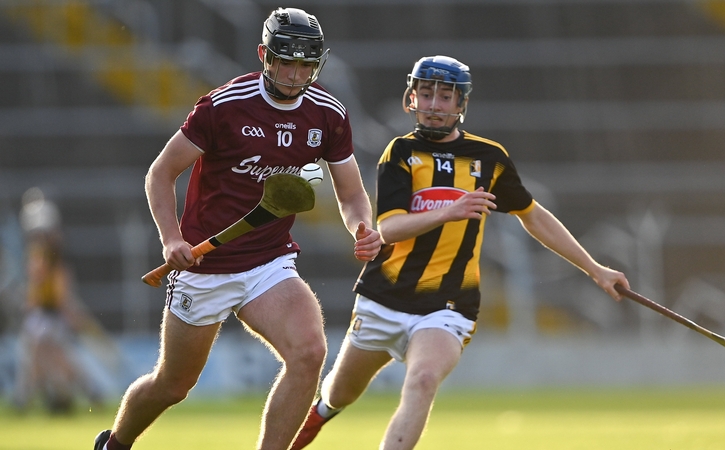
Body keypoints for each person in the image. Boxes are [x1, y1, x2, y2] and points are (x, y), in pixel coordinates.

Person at [291, 55, 630, 450]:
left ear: (461, 104)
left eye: (445, 96)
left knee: (421, 380)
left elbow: (533, 216)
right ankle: (317, 418)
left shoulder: (490, 159)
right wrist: (450, 211)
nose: (434, 103)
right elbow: (390, 227)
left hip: (448, 305)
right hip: (383, 298)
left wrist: (594, 268)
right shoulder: (400, 153)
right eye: (426, 93)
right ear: (411, 98)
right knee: (340, 393)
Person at [94, 7, 381, 450]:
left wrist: (362, 227)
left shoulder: (328, 114)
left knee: (309, 354)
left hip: (269, 261)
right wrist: (172, 238)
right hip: (204, 266)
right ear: (264, 55)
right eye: (286, 60)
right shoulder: (223, 106)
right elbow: (160, 173)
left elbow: (351, 195)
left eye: (305, 63)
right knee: (172, 385)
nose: (294, 73)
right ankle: (114, 443)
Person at [14, 187, 105, 414]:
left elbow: (54, 286)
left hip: (48, 314)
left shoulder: (45, 255)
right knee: (45, 357)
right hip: (44, 314)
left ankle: (38, 399)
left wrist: (65, 309)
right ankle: (53, 396)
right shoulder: (45, 253)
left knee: (45, 357)